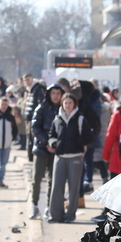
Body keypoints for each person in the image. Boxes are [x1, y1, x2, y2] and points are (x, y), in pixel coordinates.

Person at [47, 93, 94, 223]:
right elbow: (51, 135)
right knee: (57, 186)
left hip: (75, 157)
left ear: (74, 104)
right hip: (60, 156)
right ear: (62, 104)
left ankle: (70, 215)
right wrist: (54, 143)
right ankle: (55, 215)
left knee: (74, 187)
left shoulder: (80, 119)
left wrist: (77, 143)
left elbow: (88, 136)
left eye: (70, 103)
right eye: (65, 103)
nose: (68, 105)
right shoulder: (57, 119)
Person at [29, 84, 63, 219]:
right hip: (41, 149)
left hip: (56, 150)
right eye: (53, 93)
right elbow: (35, 127)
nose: (55, 96)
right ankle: (34, 205)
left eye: (58, 93)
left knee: (52, 180)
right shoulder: (41, 108)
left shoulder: (62, 110)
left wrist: (55, 144)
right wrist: (46, 142)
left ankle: (49, 207)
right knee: (37, 178)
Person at [22, 73, 47, 161]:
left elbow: (40, 104)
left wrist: (35, 115)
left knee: (33, 139)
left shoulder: (37, 89)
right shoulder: (29, 90)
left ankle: (33, 158)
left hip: (34, 118)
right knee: (29, 138)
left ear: (32, 79)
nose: (26, 82)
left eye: (28, 80)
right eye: (25, 80)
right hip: (28, 118)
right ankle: (30, 157)